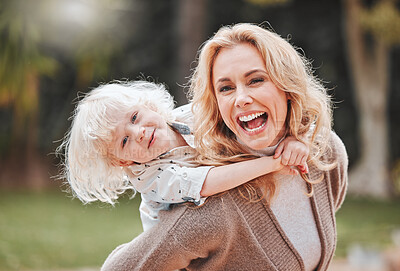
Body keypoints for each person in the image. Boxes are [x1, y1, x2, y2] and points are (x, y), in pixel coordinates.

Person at [99, 23, 348, 271]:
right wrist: (275, 163)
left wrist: (301, 142)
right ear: (216, 102)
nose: (241, 98)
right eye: (226, 88)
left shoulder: (326, 152)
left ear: (287, 84)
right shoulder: (213, 211)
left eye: (256, 80)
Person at [57, 80, 309, 231]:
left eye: (134, 117)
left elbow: (241, 124)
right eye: (124, 141)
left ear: (148, 105)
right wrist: (273, 162)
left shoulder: (189, 116)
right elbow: (209, 181)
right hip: (176, 254)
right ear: (122, 161)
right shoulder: (151, 178)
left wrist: (289, 139)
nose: (139, 133)